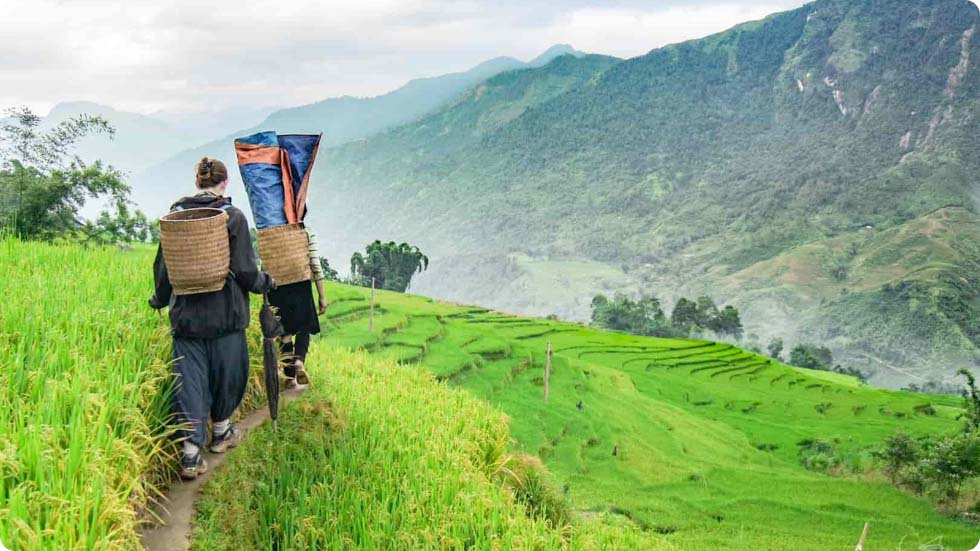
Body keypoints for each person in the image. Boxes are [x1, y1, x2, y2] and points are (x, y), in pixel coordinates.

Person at [149, 157, 275, 480]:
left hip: (186, 318)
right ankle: (221, 433)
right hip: (225, 316)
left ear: (197, 182)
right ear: (224, 183)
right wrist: (265, 282)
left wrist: (159, 299)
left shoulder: (176, 217)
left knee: (189, 383)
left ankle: (190, 455)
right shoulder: (232, 217)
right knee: (228, 376)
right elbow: (246, 271)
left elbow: (164, 266)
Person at [268, 227, 327, 389]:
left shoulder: (271, 232)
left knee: (285, 333)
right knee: (303, 328)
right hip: (301, 284)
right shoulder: (305, 231)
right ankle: (299, 361)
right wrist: (322, 296)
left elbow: (265, 263)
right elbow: (315, 264)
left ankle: (289, 377)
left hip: (277, 286)